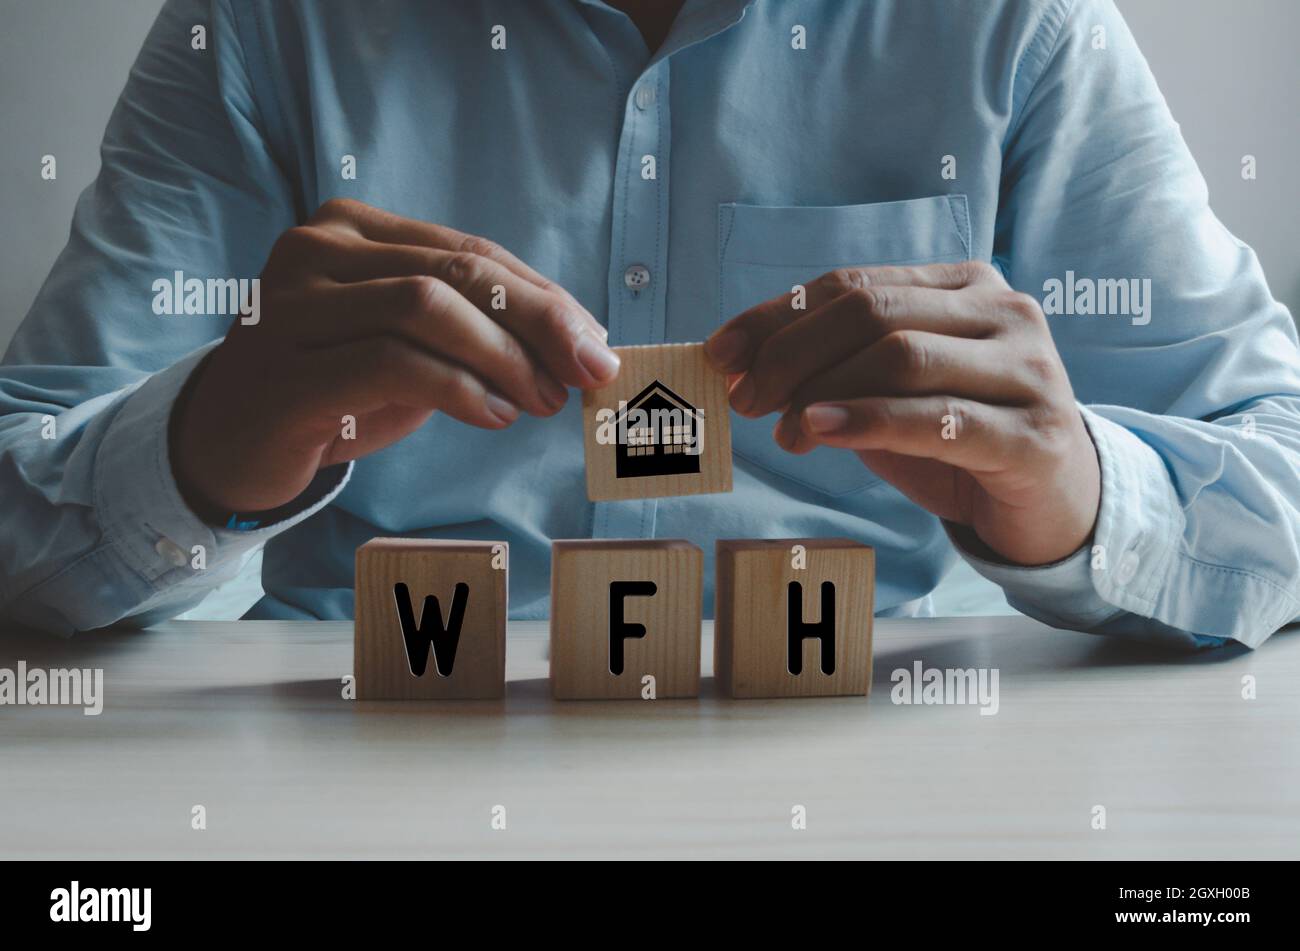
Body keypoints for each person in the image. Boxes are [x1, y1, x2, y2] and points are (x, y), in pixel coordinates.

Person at [2, 0, 1297, 650]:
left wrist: (1074, 496)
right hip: (352, 765)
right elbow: (16, 508)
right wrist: (211, 441)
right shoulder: (264, 25)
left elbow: (1280, 474)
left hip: (867, 776)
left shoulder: (1015, 25)